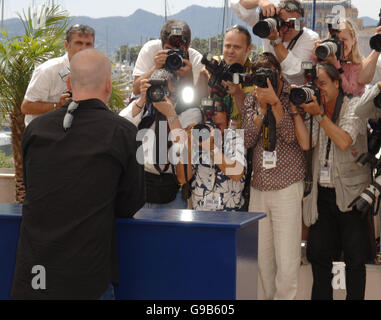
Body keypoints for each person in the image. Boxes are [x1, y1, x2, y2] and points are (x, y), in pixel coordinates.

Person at [11, 49, 145, 300]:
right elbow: (132, 202)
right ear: (108, 84)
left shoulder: (36, 130)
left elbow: (33, 189)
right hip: (87, 277)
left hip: (34, 275)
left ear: (70, 83)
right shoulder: (126, 133)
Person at [299, 62, 371, 300]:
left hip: (351, 196)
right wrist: (295, 110)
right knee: (319, 258)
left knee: (354, 261)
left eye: (323, 84)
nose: (319, 89)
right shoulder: (314, 109)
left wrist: (319, 116)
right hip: (323, 195)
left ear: (337, 84)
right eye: (315, 85)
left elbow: (343, 140)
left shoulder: (354, 107)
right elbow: (306, 144)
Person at [241, 52, 306, 299]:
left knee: (288, 263)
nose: (264, 81)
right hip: (259, 188)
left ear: (279, 74)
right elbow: (247, 139)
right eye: (260, 76)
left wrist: (276, 104)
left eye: (268, 75)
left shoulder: (294, 96)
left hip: (287, 187)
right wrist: (260, 107)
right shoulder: (252, 99)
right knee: (263, 263)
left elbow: (291, 137)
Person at [120, 68, 202, 209]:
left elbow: (183, 146)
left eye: (165, 91)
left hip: (172, 188)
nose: (159, 94)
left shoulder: (188, 111)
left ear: (175, 92)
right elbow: (121, 126)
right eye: (155, 90)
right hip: (140, 185)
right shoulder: (143, 108)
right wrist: (141, 100)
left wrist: (170, 114)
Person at [177, 100, 246, 211]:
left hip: (230, 216)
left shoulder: (234, 139)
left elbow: (237, 174)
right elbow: (182, 178)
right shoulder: (197, 141)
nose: (215, 129)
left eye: (219, 126)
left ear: (228, 120)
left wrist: (212, 148)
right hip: (201, 214)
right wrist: (188, 145)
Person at [231, 0, 319, 86]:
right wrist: (260, 2)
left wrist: (276, 41)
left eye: (291, 24)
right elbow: (237, 7)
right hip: (267, 87)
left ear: (301, 23)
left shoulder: (310, 38)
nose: (285, 28)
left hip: (295, 94)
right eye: (281, 22)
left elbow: (296, 71)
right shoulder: (269, 26)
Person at [21, 24, 95, 126]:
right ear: (66, 46)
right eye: (78, 43)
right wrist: (58, 106)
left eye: (88, 44)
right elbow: (26, 107)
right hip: (44, 136)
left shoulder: (93, 72)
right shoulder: (47, 70)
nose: (83, 48)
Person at [132, 19, 205, 98]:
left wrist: (189, 77)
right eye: (168, 50)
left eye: (179, 50)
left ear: (188, 46)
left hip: (180, 107)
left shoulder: (196, 60)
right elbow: (136, 90)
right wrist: (155, 68)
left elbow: (196, 102)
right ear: (162, 45)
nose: (174, 55)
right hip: (148, 101)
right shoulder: (150, 50)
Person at [313, 18, 368, 97]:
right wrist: (317, 58)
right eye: (336, 40)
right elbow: (315, 86)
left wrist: (336, 66)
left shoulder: (358, 65)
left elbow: (351, 92)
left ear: (353, 40)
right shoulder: (325, 59)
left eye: (344, 40)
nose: (339, 44)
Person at [216, 25, 255, 128]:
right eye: (227, 46)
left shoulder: (255, 76)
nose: (231, 51)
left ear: (249, 49)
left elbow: (253, 123)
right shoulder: (214, 64)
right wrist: (203, 76)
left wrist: (238, 93)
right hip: (213, 133)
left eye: (237, 47)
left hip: (242, 136)